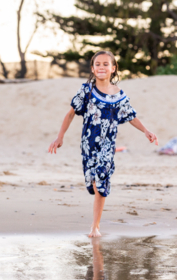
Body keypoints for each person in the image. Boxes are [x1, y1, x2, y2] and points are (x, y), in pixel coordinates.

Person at [48, 50, 158, 237]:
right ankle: (95, 216)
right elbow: (71, 113)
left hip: (108, 145)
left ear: (113, 69)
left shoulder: (119, 95)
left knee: (101, 181)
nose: (101, 67)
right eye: (98, 64)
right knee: (92, 182)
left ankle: (95, 226)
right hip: (88, 144)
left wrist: (146, 131)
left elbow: (131, 117)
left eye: (106, 64)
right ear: (92, 68)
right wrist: (60, 137)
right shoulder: (86, 90)